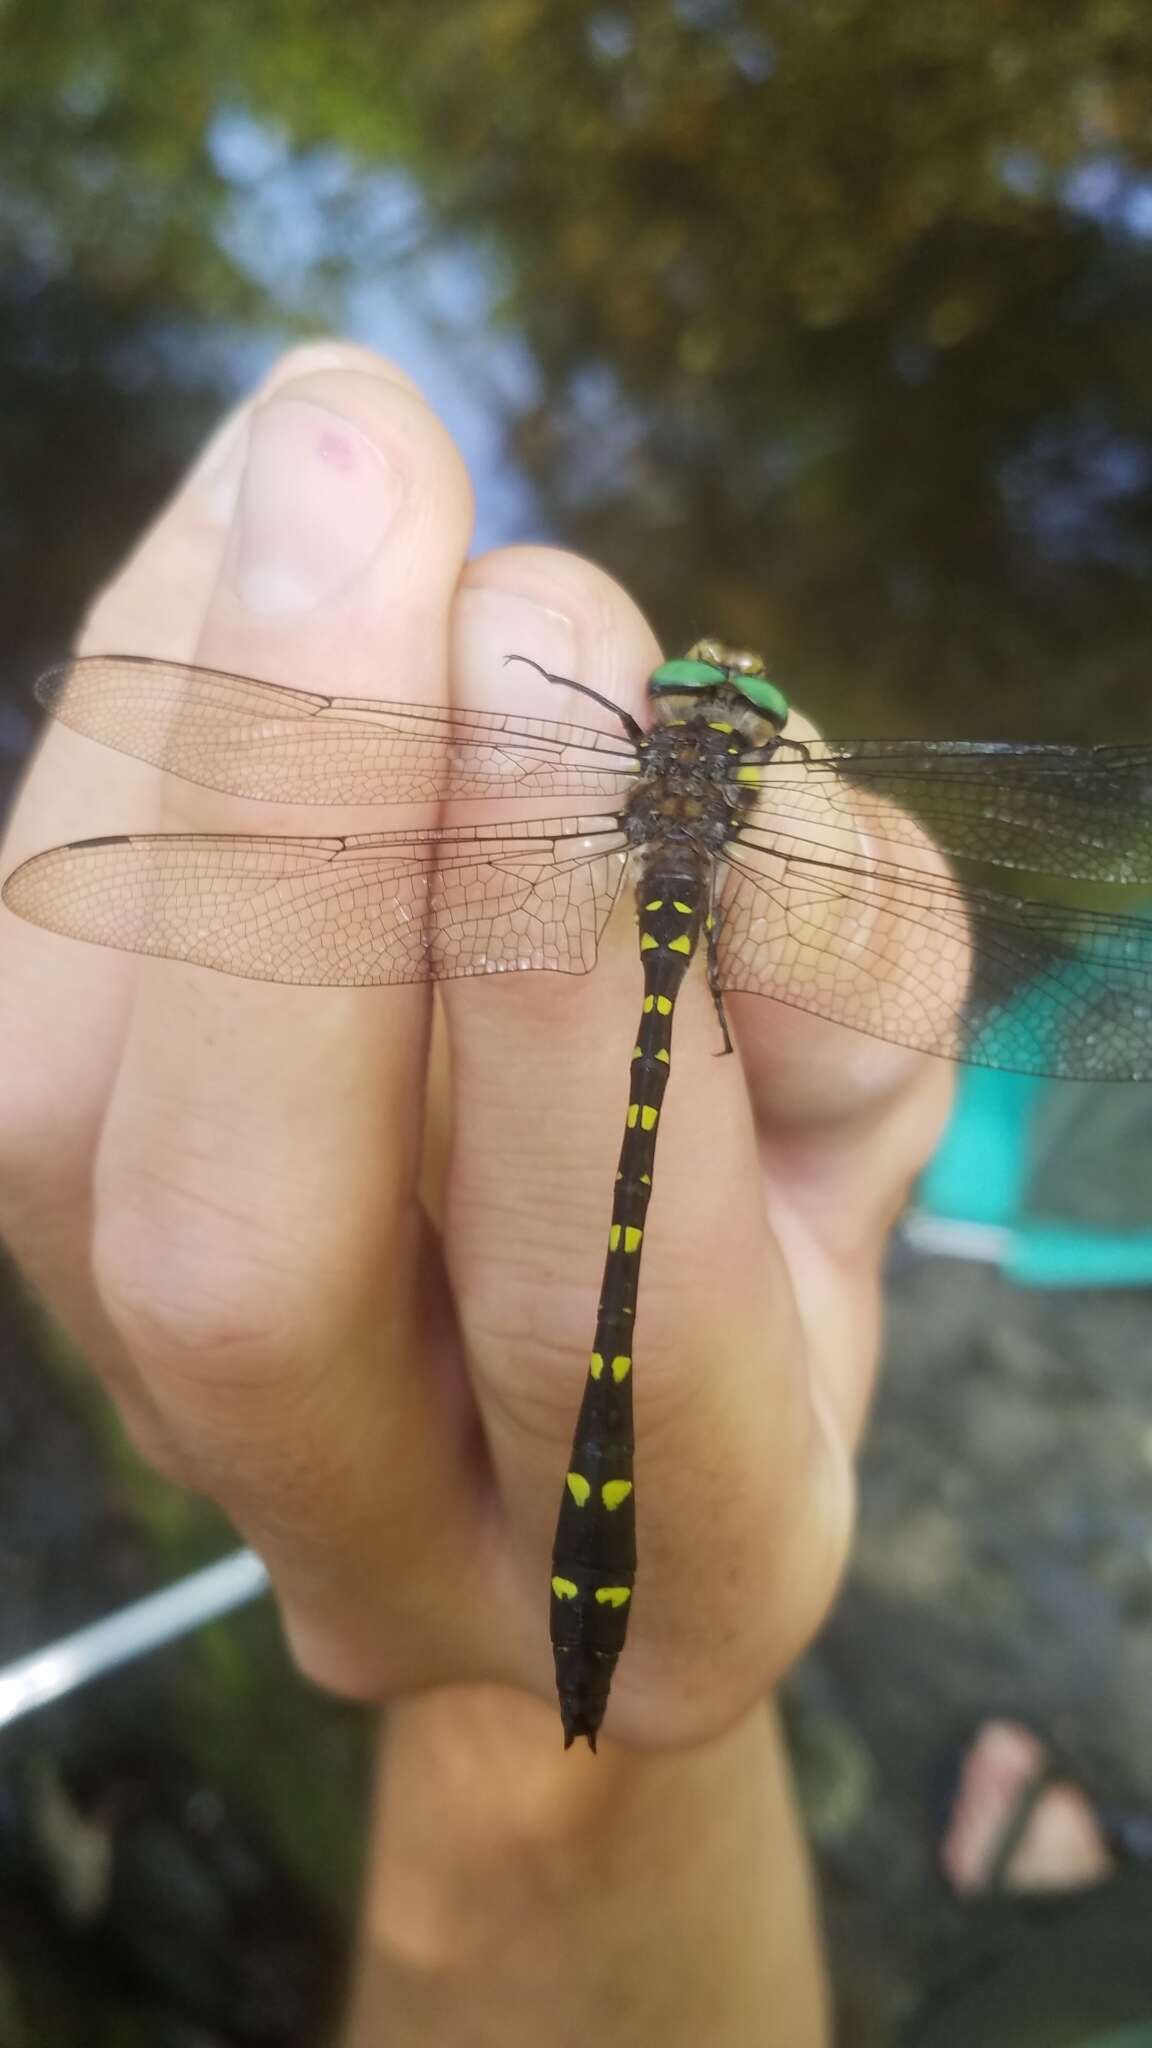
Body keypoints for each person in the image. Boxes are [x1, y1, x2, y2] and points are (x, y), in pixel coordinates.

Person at [0, 344, 1145, 2047]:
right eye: (715, 705)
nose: (722, 705)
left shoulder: (606, 778)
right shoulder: (728, 809)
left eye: (722, 711)